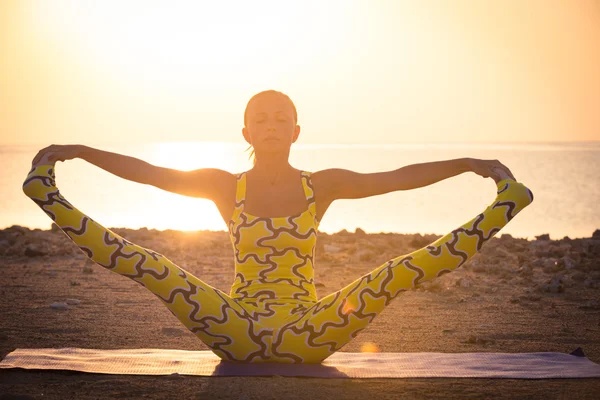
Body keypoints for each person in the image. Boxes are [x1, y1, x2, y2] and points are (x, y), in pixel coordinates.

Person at [23, 89, 534, 364]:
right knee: (151, 265)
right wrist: (84, 152)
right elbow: (152, 174)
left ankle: (508, 202)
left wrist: (467, 162)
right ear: (247, 131)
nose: (270, 126)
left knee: (400, 271)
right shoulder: (226, 186)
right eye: (260, 119)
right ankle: (45, 193)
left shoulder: (323, 185)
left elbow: (396, 179)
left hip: (310, 331)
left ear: (295, 131)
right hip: (234, 328)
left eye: (280, 118)